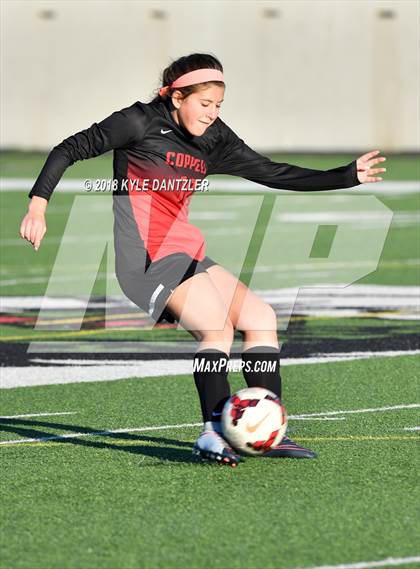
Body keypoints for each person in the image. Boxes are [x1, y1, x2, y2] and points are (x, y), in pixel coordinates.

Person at [20, 53, 386, 467]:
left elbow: (272, 172)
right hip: (144, 259)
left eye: (218, 106)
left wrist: (345, 176)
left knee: (260, 317)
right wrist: (38, 205)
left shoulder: (214, 139)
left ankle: (270, 429)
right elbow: (69, 148)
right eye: (204, 104)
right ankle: (213, 434)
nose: (212, 114)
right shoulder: (137, 122)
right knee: (216, 328)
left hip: (186, 250)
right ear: (176, 97)